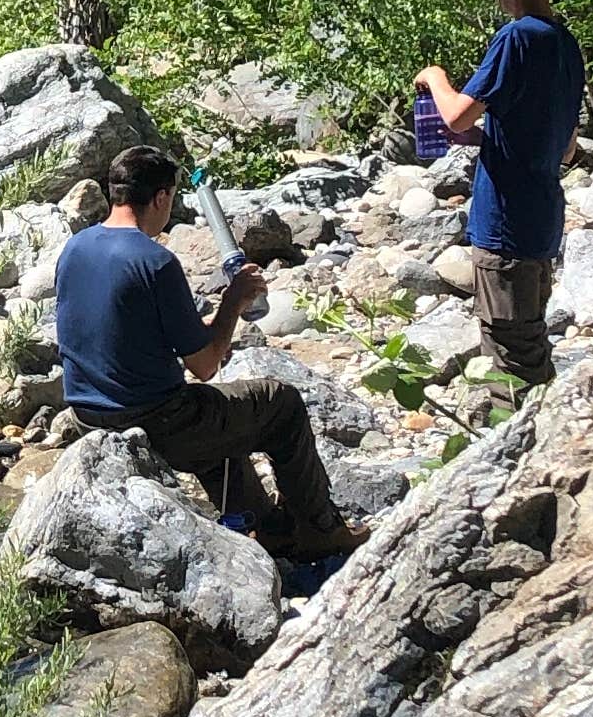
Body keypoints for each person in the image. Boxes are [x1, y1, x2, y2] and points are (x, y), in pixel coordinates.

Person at [52, 142, 363, 559]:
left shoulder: (76, 248)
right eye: (172, 198)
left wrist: (205, 323)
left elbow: (121, 327)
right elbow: (204, 366)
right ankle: (320, 529)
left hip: (89, 415)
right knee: (278, 402)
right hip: (157, 424)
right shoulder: (155, 260)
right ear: (161, 197)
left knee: (224, 413)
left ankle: (264, 527)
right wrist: (233, 303)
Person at [415, 0, 587, 389]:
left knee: (508, 349)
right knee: (529, 338)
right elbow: (565, 144)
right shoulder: (566, 45)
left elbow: (455, 116)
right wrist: (493, 135)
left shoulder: (517, 38)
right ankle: (546, 433)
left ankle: (521, 451)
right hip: (542, 220)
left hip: (505, 223)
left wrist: (434, 78)